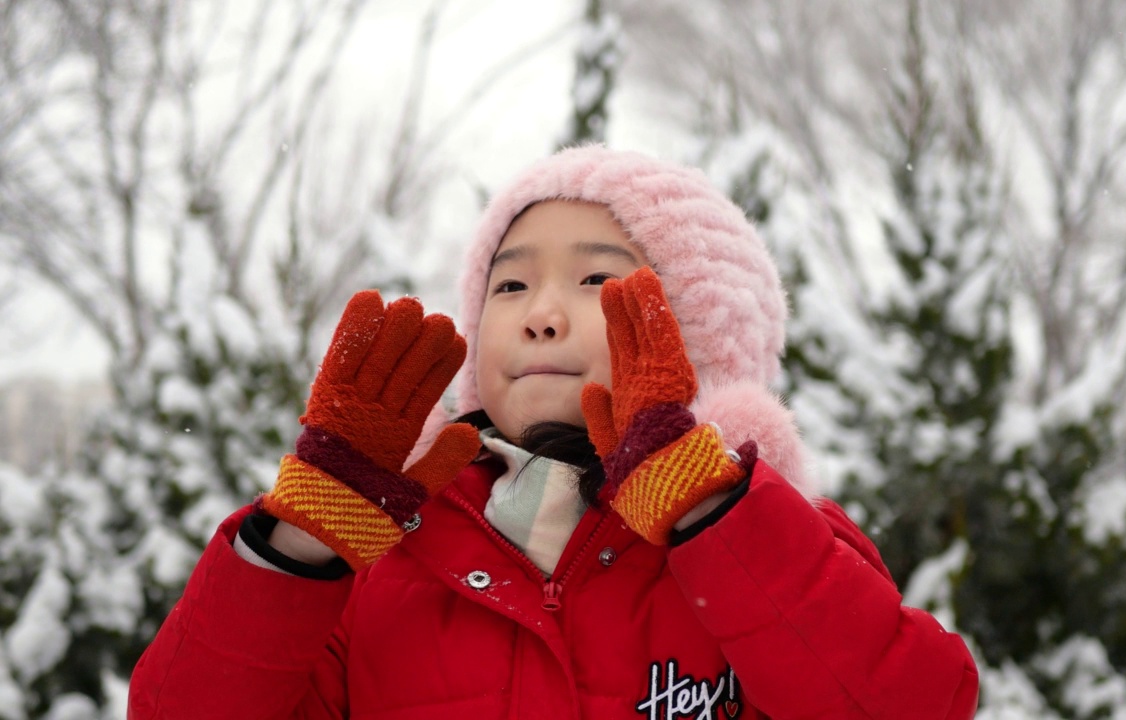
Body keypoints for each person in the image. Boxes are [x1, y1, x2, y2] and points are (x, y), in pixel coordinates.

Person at [128, 146, 979, 719]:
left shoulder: (777, 543)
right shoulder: (381, 567)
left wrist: (708, 510)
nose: (539, 314)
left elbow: (913, 702)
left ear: (697, 334)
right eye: (507, 287)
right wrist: (305, 538)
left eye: (596, 280)